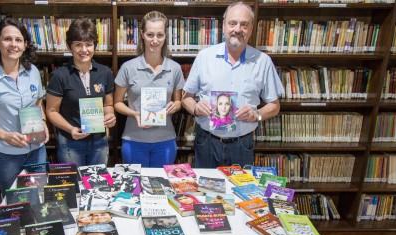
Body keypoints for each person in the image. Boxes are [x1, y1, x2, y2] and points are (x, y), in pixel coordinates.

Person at [181, 2, 284, 168]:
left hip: (242, 144)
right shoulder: (204, 57)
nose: (237, 29)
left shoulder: (263, 61)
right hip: (207, 141)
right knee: (205, 193)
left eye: (244, 24)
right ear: (224, 26)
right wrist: (195, 108)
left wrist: (257, 115)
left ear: (251, 28)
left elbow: (274, 105)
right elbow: (186, 98)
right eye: (232, 23)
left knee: (240, 193)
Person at [0, 18, 49, 196]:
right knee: (15, 202)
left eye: (18, 40)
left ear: (25, 44)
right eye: (7, 39)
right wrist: (4, 135)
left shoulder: (33, 71)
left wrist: (43, 122)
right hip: (6, 155)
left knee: (40, 197)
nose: (13, 45)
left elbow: (38, 102)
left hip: (36, 149)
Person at [114, 11, 185, 167]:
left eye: (159, 35)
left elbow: (179, 101)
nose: (154, 40)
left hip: (165, 141)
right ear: (142, 34)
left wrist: (175, 105)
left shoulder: (175, 68)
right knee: (135, 187)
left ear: (165, 35)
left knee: (162, 188)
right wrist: (134, 113)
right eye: (150, 34)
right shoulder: (128, 68)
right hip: (134, 140)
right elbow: (117, 103)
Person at [46, 17, 116, 166]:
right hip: (71, 142)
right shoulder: (60, 75)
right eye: (78, 45)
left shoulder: (105, 73)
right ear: (69, 46)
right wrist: (70, 129)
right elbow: (51, 111)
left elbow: (108, 104)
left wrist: (110, 116)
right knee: (75, 186)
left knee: (97, 185)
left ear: (95, 46)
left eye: (88, 44)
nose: (84, 50)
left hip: (99, 142)